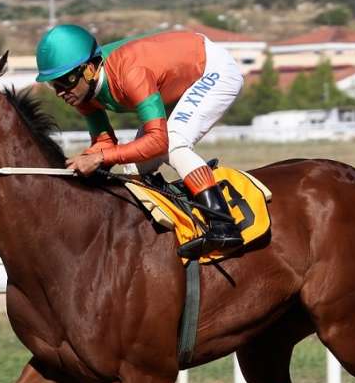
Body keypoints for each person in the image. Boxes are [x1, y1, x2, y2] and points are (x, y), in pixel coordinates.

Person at [35, 24, 244, 258]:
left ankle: (223, 224)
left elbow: (158, 141)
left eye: (66, 81)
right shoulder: (82, 93)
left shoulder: (130, 73)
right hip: (174, 81)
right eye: (54, 85)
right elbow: (105, 142)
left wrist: (99, 158)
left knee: (173, 142)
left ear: (90, 69)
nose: (60, 92)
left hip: (212, 69)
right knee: (133, 168)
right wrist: (79, 165)